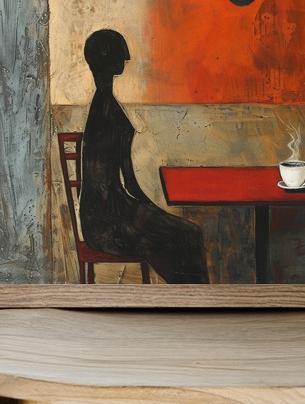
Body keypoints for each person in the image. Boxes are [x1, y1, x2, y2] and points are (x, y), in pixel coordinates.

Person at [79, 28, 209, 284]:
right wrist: (155, 213)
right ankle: (193, 298)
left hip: (100, 219)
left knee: (185, 235)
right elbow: (130, 184)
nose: (126, 59)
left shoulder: (101, 107)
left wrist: (152, 214)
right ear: (112, 60)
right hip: (112, 223)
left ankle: (190, 296)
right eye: (121, 54)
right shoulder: (109, 113)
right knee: (188, 235)